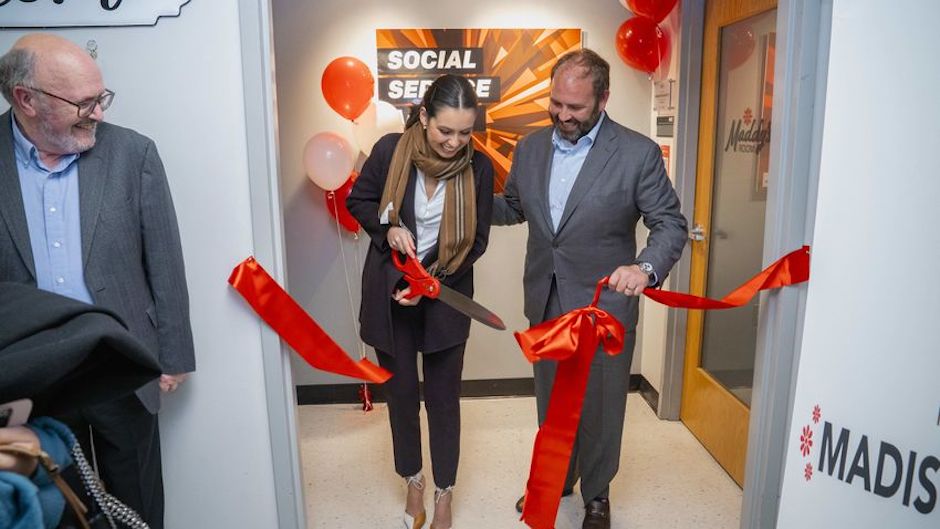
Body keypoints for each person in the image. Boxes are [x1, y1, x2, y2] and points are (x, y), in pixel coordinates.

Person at [0, 34, 195, 529]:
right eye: (84, 103)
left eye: (100, 99)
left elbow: (165, 260)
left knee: (137, 502)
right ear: (27, 99)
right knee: (58, 508)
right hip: (32, 374)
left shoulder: (134, 154)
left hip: (120, 362)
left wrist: (169, 355)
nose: (98, 114)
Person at [492, 48, 688, 529]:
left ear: (603, 99)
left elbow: (669, 223)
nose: (562, 115)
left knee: (600, 406)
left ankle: (597, 494)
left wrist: (644, 267)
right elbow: (515, 207)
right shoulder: (532, 147)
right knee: (551, 399)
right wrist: (463, 201)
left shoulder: (637, 153)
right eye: (556, 103)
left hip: (605, 308)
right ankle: (557, 477)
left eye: (575, 107)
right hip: (547, 298)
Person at [347, 74, 494, 529]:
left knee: (445, 399)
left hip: (445, 296)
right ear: (424, 116)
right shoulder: (391, 151)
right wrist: (387, 230)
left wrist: (432, 278)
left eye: (465, 132)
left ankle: (444, 490)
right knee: (403, 395)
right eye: (445, 130)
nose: (455, 142)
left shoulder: (479, 167)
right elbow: (360, 201)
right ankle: (413, 477)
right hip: (391, 294)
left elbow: (478, 241)